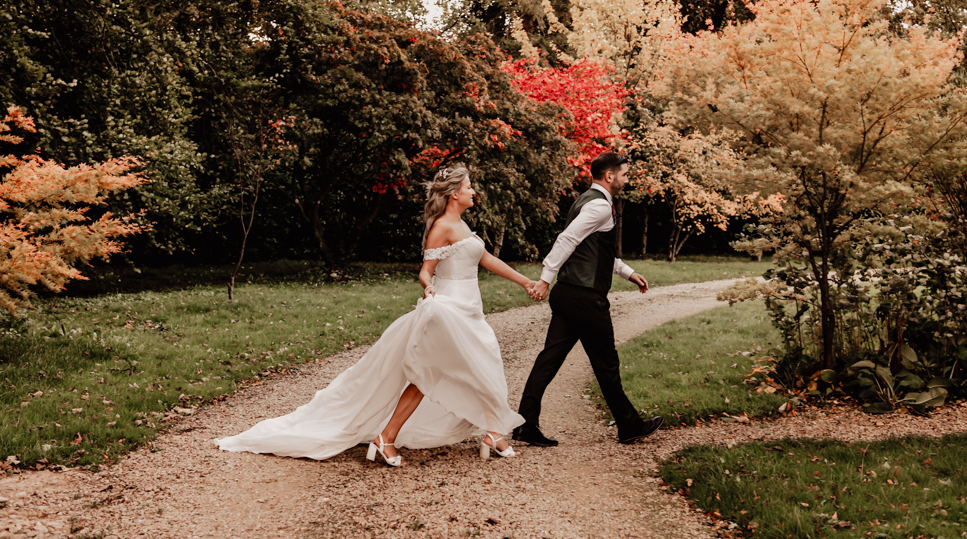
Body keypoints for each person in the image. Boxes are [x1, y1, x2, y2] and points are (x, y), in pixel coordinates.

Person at [215, 165, 530, 466]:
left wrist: (526, 281)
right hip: (448, 309)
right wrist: (428, 288)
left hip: (470, 309)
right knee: (434, 374)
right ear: (453, 195)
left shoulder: (463, 227)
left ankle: (489, 433)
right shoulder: (442, 227)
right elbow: (425, 271)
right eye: (468, 187)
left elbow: (486, 259)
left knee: (479, 366)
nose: (474, 191)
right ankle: (392, 436)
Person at [513, 152, 663, 447]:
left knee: (549, 360)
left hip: (569, 294)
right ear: (610, 176)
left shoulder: (587, 200)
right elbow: (567, 240)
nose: (627, 179)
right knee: (606, 363)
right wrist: (544, 279)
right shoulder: (599, 206)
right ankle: (629, 425)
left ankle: (525, 424)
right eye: (625, 174)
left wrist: (628, 273)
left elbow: (596, 250)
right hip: (584, 298)